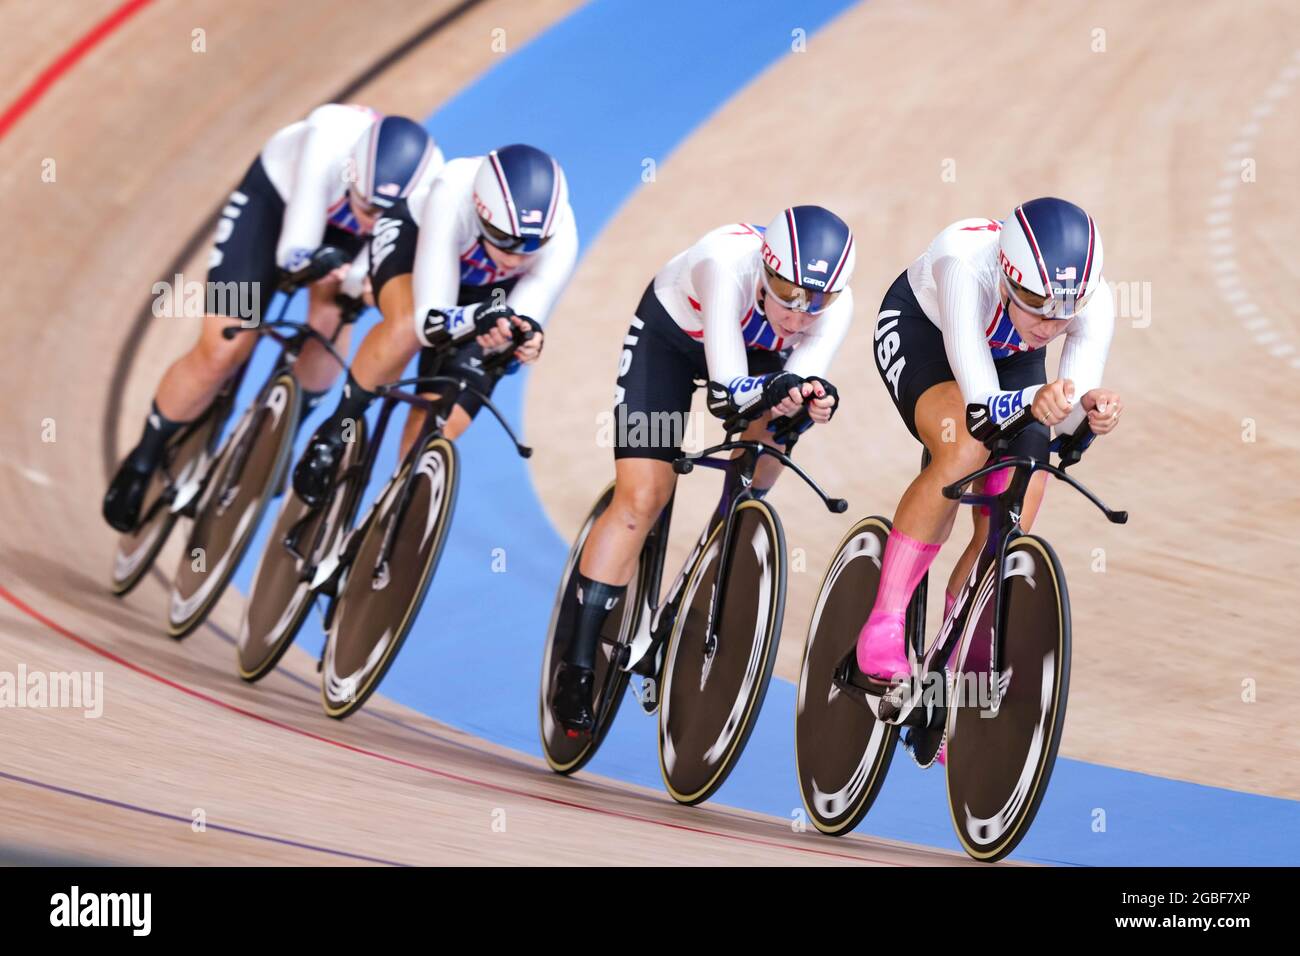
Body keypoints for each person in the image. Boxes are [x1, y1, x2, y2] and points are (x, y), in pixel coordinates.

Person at [551, 205, 856, 734]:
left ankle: (714, 554)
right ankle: (576, 662)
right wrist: (778, 391)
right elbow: (725, 396)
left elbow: (798, 380)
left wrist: (810, 398)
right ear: (765, 267)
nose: (800, 315)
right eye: (786, 293)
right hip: (671, 346)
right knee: (643, 497)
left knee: (760, 473)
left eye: (816, 302)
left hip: (757, 365)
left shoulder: (836, 305)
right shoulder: (724, 263)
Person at [858, 197, 1123, 760]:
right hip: (926, 334)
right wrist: (1038, 400)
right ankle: (884, 618)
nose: (1050, 325)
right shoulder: (964, 265)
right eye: (1036, 307)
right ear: (1007, 277)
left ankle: (950, 661)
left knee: (1024, 487)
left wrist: (1089, 415)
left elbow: (1065, 420)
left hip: (1007, 362)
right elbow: (981, 407)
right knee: (963, 447)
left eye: (1063, 314)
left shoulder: (1091, 301)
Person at [102, 104, 442, 532]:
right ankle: (144, 457)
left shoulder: (431, 193)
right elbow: (293, 249)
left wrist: (356, 282)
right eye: (366, 206)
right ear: (352, 175)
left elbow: (385, 268)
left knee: (334, 312)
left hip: (348, 241)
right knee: (223, 348)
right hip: (275, 204)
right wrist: (316, 260)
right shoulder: (328, 142)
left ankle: (284, 432)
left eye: (383, 215)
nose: (371, 220)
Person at [290, 143, 578, 506]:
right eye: (505, 239)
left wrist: (522, 340)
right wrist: (479, 317)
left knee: (448, 409)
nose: (517, 254)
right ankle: (333, 433)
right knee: (407, 326)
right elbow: (430, 320)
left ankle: (395, 502)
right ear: (481, 211)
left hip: (486, 293)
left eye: (534, 244)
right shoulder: (452, 191)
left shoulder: (563, 238)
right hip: (415, 247)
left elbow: (521, 317)